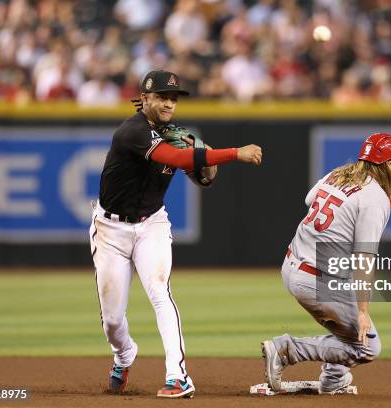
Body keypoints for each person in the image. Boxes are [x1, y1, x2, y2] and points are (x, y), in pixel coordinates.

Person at [90, 70, 262, 398]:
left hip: (152, 223)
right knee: (112, 321)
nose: (169, 103)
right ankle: (124, 355)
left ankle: (178, 377)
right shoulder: (133, 131)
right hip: (110, 229)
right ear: (145, 99)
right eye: (162, 97)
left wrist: (202, 156)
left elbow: (205, 178)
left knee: (159, 290)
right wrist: (233, 153)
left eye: (174, 98)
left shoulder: (175, 133)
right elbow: (175, 158)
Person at [261, 132, 391, 394]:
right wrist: (363, 311)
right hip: (318, 281)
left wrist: (357, 208)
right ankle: (285, 350)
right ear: (388, 165)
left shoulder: (338, 174)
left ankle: (334, 380)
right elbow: (364, 257)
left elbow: (311, 200)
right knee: (367, 347)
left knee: (346, 326)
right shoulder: (375, 199)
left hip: (292, 266)